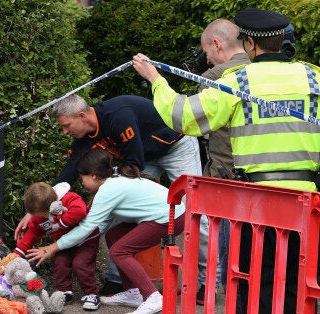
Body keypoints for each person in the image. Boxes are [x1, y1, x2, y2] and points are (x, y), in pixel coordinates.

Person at [132, 8, 320, 313]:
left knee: (254, 283)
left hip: (260, 204)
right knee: (300, 287)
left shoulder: (238, 82)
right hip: (310, 203)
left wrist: (155, 80)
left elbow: (183, 116)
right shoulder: (313, 78)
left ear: (249, 44)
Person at [13, 94, 203, 297]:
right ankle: (119, 282)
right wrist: (38, 209)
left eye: (67, 125)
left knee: (198, 212)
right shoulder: (82, 140)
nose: (65, 131)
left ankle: (205, 282)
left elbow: (134, 164)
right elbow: (68, 174)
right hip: (142, 155)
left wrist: (103, 196)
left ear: (82, 116)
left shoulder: (118, 116)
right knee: (114, 225)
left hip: (173, 145)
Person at [27, 148, 186, 314]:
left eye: (82, 178)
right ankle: (133, 292)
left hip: (170, 217)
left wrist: (53, 248)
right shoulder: (112, 183)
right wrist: (74, 243)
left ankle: (153, 297)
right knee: (113, 236)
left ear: (94, 176)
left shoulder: (108, 189)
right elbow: (98, 227)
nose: (82, 183)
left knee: (119, 251)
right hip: (169, 213)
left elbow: (88, 226)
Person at [195, 18, 251, 303]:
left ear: (217, 44)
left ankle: (231, 291)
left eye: (206, 53)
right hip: (258, 167)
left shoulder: (217, 74)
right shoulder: (257, 69)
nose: (207, 59)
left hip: (227, 168)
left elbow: (192, 117)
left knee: (230, 230)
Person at [14, 181, 102, 310]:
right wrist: (17, 254)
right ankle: (65, 292)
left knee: (81, 264)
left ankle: (92, 293)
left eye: (44, 214)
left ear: (54, 202)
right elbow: (32, 233)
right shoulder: (39, 217)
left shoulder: (69, 198)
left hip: (86, 240)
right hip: (63, 244)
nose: (43, 218)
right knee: (60, 263)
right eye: (39, 216)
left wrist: (60, 223)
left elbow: (80, 211)